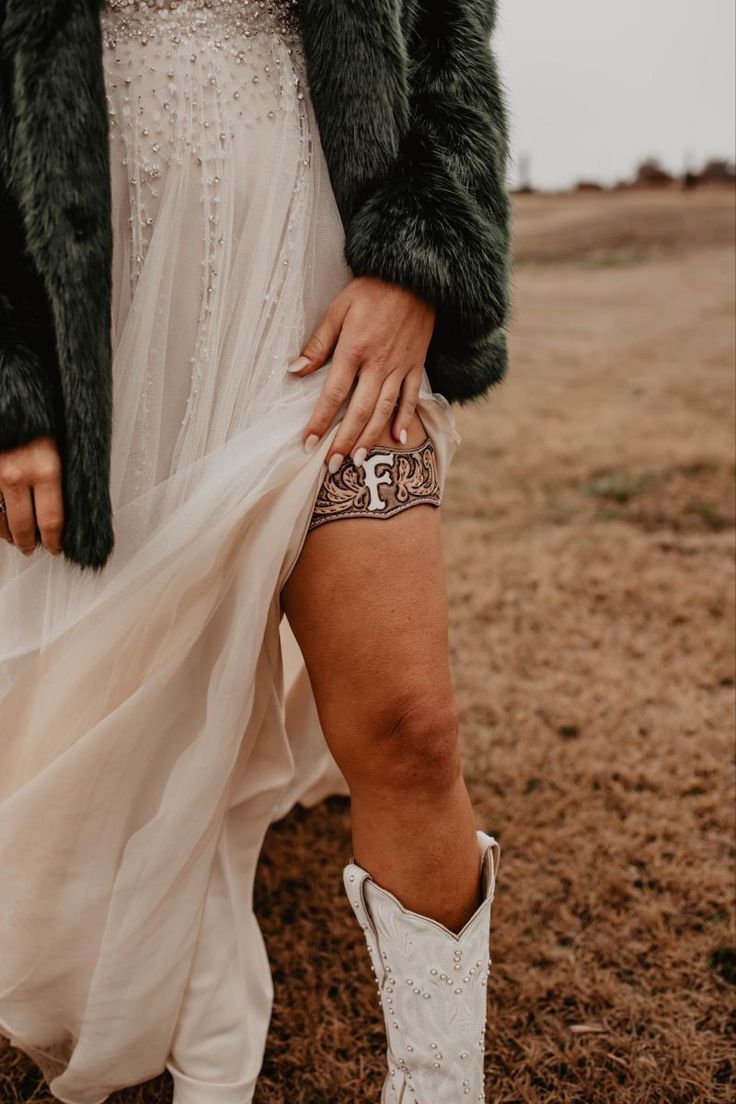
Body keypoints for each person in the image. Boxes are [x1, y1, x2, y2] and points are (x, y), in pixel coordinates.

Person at [0, 1, 511, 1100]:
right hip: (107, 339)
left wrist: (421, 259)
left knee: (410, 728)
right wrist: (9, 388)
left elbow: (450, 34)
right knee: (131, 763)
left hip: (332, 322)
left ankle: (441, 1087)